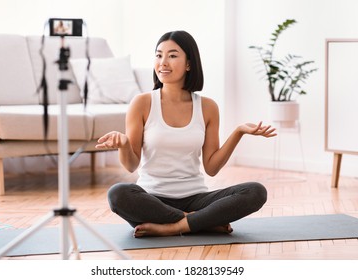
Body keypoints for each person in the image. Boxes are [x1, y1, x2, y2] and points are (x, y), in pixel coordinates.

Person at [95, 30, 276, 238]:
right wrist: (125, 144)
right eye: (158, 55)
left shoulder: (207, 107)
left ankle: (173, 227)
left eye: (172, 55)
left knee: (256, 192)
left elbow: (212, 167)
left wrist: (238, 132)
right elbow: (130, 165)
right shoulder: (142, 103)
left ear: (189, 64)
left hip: (195, 197)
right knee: (118, 194)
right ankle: (200, 222)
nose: (163, 62)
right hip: (152, 201)